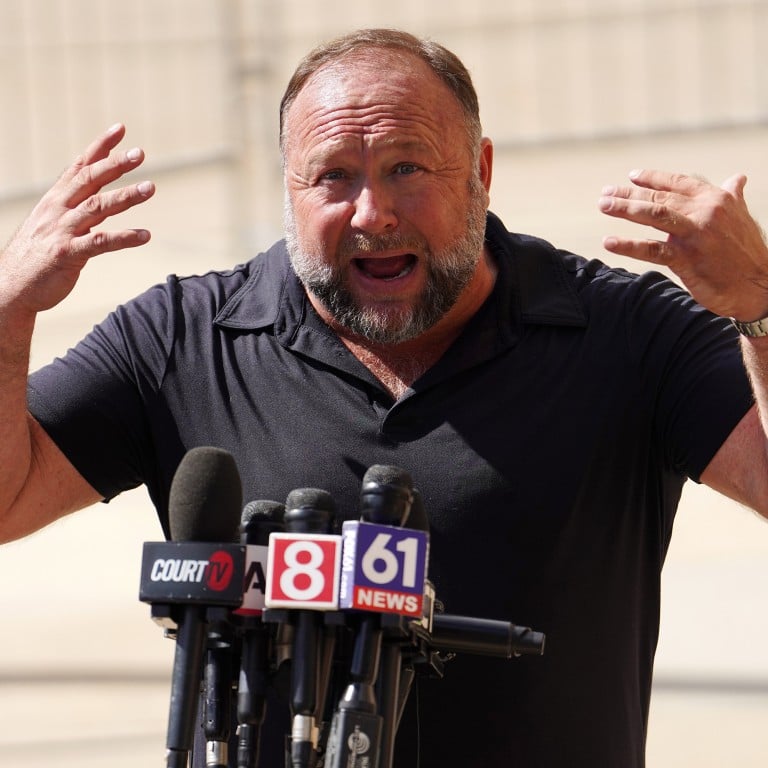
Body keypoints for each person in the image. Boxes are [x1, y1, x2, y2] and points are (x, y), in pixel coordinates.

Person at [2, 27, 767, 768]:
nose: (373, 213)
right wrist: (8, 315)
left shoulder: (625, 333)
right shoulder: (181, 340)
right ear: (289, 188)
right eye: (333, 175)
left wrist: (759, 307)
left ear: (480, 171)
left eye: (407, 167)